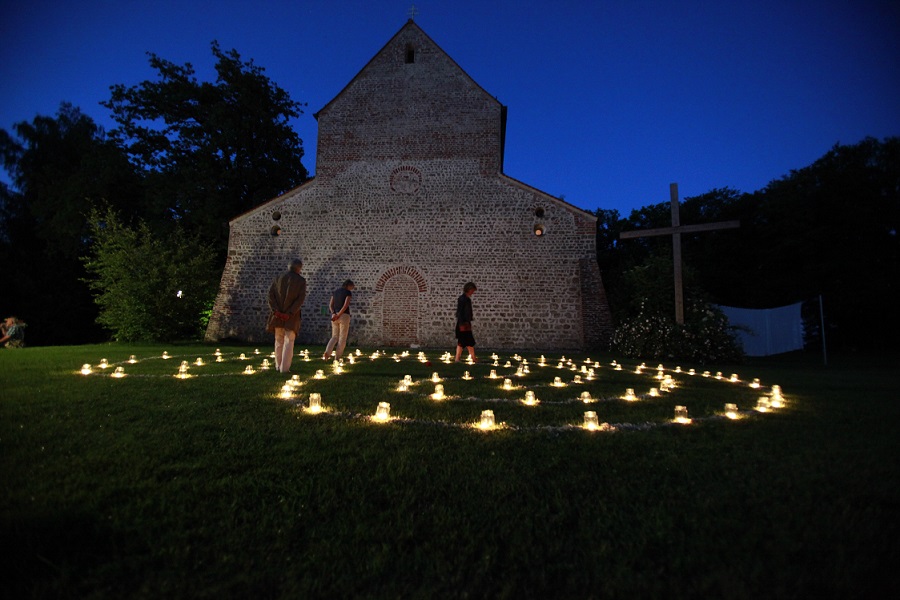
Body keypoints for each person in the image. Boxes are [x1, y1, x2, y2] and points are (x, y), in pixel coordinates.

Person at [266, 259, 307, 373]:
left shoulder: (278, 278)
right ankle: (284, 368)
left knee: (278, 341)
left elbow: (270, 295)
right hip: (291, 317)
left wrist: (275, 311)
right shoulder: (300, 281)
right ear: (299, 268)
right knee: (289, 341)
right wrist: (290, 313)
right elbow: (300, 299)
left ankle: (278, 365)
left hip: (277, 315)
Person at [323, 279, 355, 360]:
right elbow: (345, 305)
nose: (353, 287)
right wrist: (339, 314)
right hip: (344, 316)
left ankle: (327, 352)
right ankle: (337, 357)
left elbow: (330, 305)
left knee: (334, 337)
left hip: (334, 316)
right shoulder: (348, 292)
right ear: (349, 285)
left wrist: (334, 313)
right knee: (342, 338)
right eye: (352, 286)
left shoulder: (335, 292)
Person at [454, 282, 477, 362]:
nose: (472, 292)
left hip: (465, 322)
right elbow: (460, 312)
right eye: (472, 290)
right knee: (464, 341)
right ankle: (459, 358)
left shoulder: (466, 299)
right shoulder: (463, 299)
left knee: (467, 341)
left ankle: (472, 358)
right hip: (463, 323)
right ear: (469, 289)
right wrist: (462, 323)